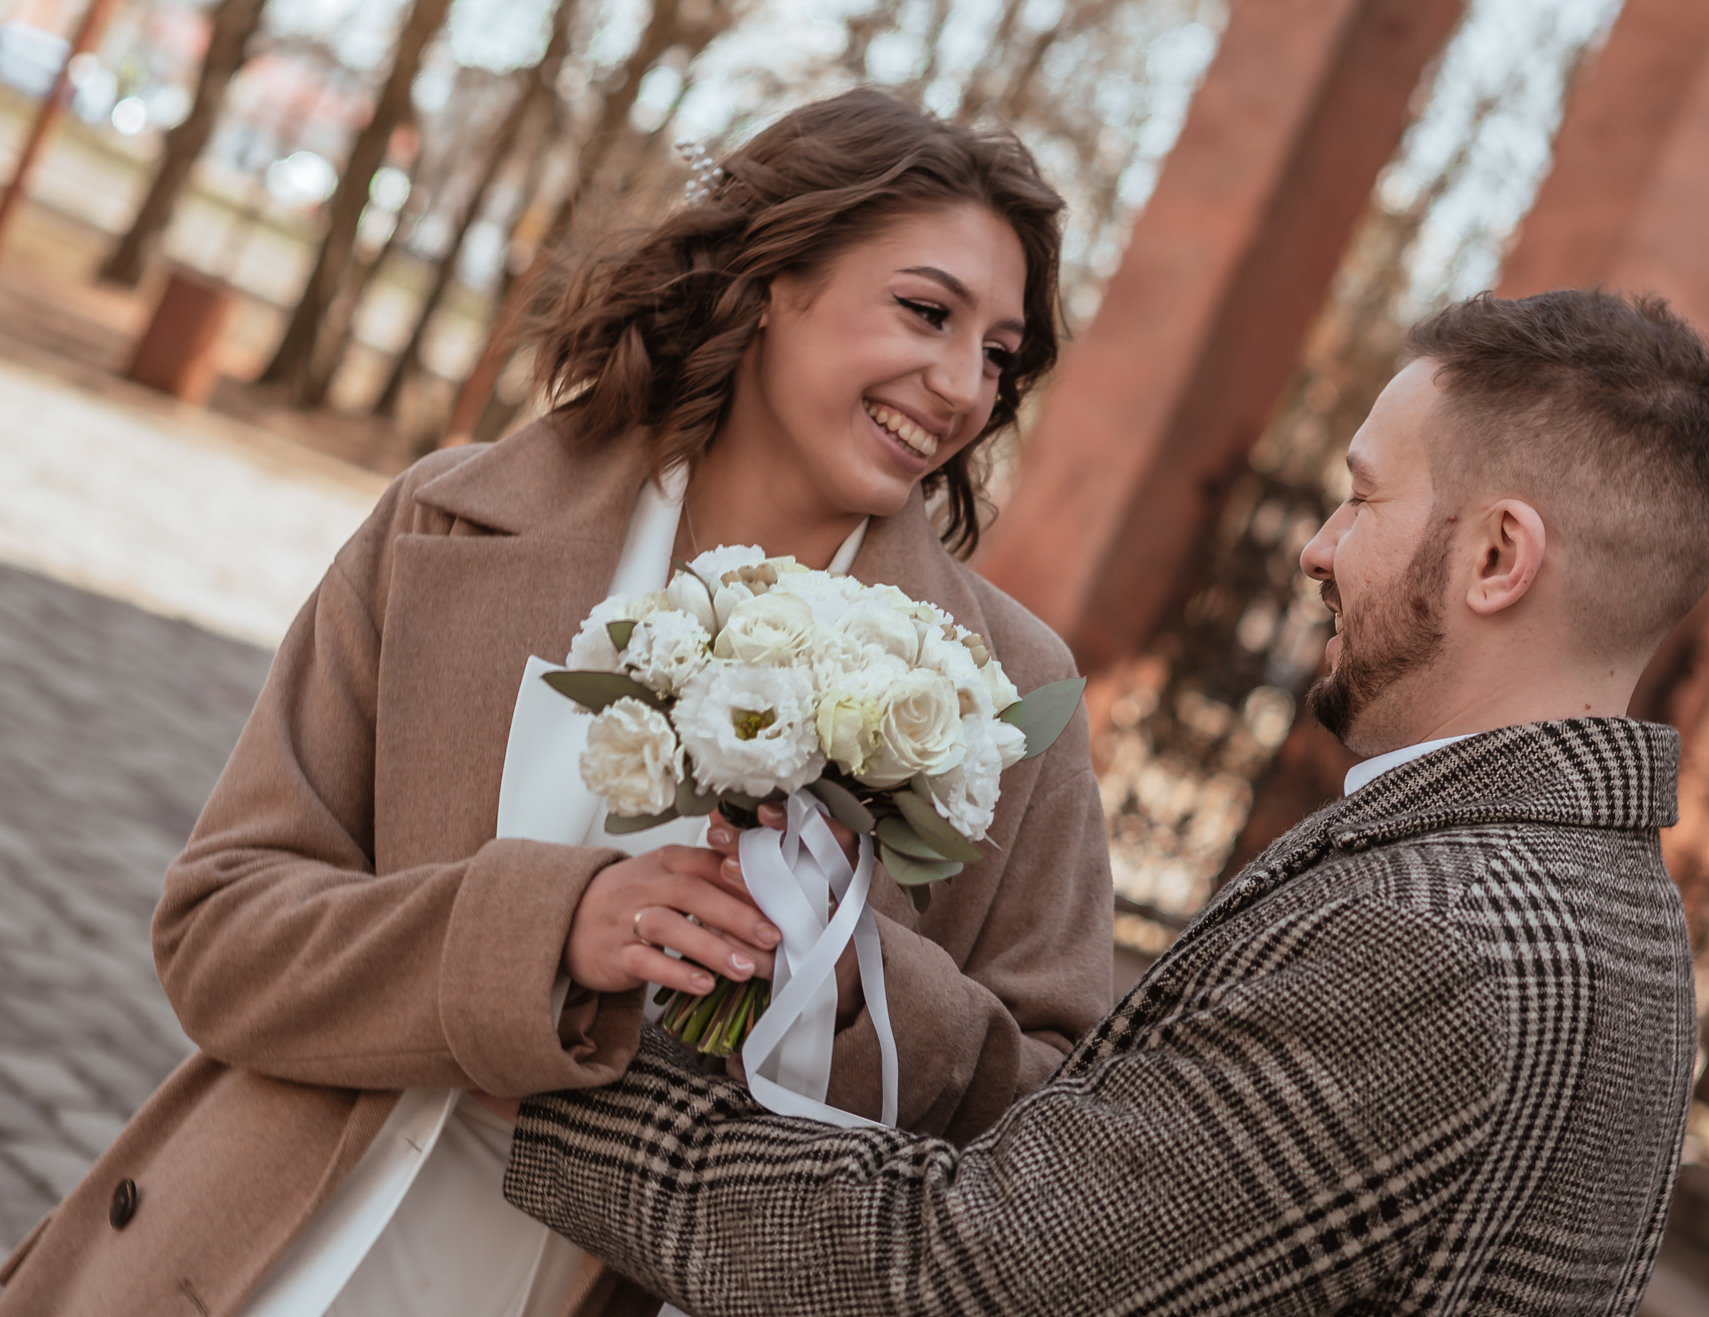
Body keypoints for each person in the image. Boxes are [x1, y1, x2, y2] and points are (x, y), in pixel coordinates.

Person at [0, 90, 1115, 1316]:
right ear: (771, 278)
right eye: (926, 311)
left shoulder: (1001, 699)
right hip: (240, 1262)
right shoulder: (447, 524)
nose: (962, 386)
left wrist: (853, 989)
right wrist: (551, 935)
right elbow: (221, 935)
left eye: (999, 355)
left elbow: (1053, 1131)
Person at [499, 288, 1709, 1314]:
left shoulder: (1432, 938)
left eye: (1364, 497)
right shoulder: (1617, 913)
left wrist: (557, 1080)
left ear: (1496, 558)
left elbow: (974, 1279)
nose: (1319, 547)